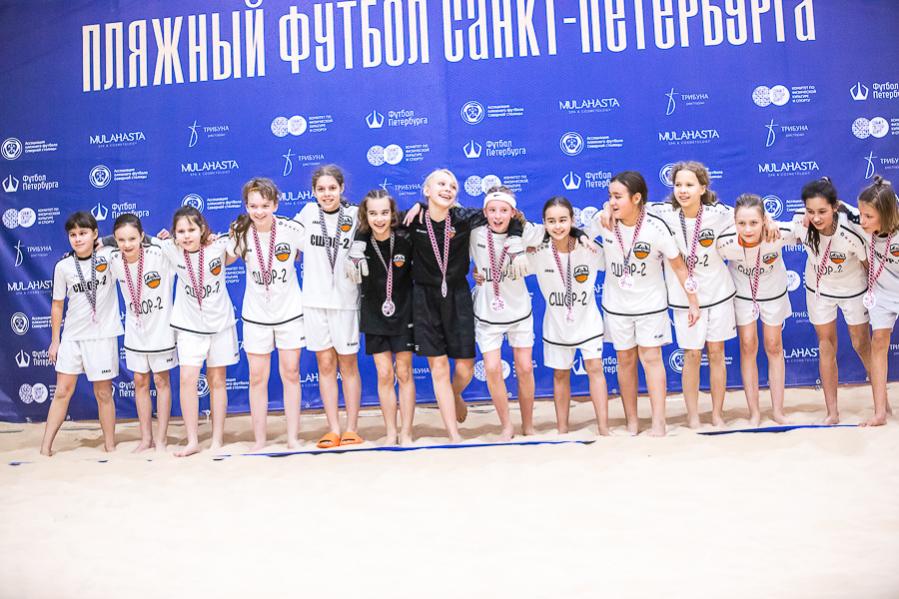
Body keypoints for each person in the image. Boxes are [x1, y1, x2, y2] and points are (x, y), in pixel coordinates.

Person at [593, 172, 700, 436]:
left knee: (652, 359)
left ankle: (658, 422)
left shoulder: (655, 227)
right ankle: (632, 421)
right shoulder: (603, 220)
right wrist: (604, 211)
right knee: (625, 360)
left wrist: (693, 302)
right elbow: (573, 234)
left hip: (651, 306)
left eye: (617, 196)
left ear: (636, 198)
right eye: (610, 196)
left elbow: (679, 267)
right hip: (617, 307)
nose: (612, 202)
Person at [229, 177, 305, 450]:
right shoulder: (240, 232)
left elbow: (321, 245)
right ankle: (259, 439)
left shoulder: (291, 229)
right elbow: (221, 258)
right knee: (257, 378)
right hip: (256, 316)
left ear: (275, 204)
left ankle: (293, 437)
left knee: (291, 373)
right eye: (253, 206)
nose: (259, 211)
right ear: (246, 206)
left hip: (289, 313)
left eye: (264, 205)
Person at [40, 211, 123, 456]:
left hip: (102, 336)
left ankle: (110, 446)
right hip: (72, 338)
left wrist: (104, 241)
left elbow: (130, 238)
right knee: (62, 391)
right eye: (73, 234)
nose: (77, 239)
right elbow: (57, 305)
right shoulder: (63, 266)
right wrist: (55, 341)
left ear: (95, 234)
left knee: (103, 393)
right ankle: (45, 447)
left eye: (83, 233)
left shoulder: (108, 256)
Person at [294, 164, 363, 448]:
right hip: (314, 301)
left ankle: (351, 428)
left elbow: (386, 222)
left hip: (346, 302)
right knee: (324, 364)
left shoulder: (355, 215)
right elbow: (279, 236)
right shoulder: (307, 214)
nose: (327, 194)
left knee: (348, 364)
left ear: (342, 188)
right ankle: (333, 428)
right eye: (321, 189)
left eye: (332, 188)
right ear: (313, 191)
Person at [162, 206, 240, 457]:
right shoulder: (170, 249)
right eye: (181, 231)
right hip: (189, 327)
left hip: (220, 325)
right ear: (174, 234)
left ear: (202, 229)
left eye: (191, 230)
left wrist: (232, 234)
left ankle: (217, 439)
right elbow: (135, 239)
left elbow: (240, 246)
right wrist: (102, 243)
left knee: (217, 380)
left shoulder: (218, 247)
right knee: (187, 379)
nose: (186, 236)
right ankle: (192, 440)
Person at [530, 196, 610, 435]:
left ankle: (603, 428)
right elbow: (511, 266)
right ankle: (562, 428)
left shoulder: (589, 249)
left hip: (588, 321)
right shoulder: (538, 253)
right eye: (551, 221)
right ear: (544, 223)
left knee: (595, 368)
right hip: (557, 325)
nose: (558, 226)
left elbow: (615, 258)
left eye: (563, 220)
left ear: (573, 220)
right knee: (560, 374)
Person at [794, 176, 871, 425]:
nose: (816, 218)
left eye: (822, 211)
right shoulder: (800, 223)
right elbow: (774, 228)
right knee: (825, 344)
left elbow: (867, 264)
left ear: (835, 207)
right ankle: (832, 412)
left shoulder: (853, 229)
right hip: (819, 290)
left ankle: (881, 403)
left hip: (853, 289)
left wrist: (874, 293)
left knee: (861, 343)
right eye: (811, 211)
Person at [716, 194, 794, 426]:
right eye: (742, 223)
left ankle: (778, 410)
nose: (748, 229)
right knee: (748, 345)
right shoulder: (725, 241)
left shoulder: (778, 233)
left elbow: (806, 224)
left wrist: (772, 221)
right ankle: (754, 412)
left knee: (774, 345)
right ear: (734, 222)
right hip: (743, 294)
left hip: (773, 293)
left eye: (754, 223)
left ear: (763, 221)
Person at [347, 189, 416, 445]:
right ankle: (390, 432)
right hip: (374, 314)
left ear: (392, 213)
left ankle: (406, 432)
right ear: (365, 215)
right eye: (373, 213)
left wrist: (419, 206)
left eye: (385, 213)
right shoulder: (360, 242)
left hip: (404, 313)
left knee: (404, 372)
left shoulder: (405, 237)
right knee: (385, 373)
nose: (379, 219)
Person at [109, 214, 176, 452]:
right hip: (135, 332)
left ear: (142, 237)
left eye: (132, 239)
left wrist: (164, 240)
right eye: (121, 240)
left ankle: (162, 438)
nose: (127, 244)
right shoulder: (113, 260)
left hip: (161, 330)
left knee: (161, 380)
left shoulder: (160, 254)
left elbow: (184, 247)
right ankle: (146, 438)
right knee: (139, 381)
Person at [855, 175, 898, 426]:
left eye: (868, 216)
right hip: (881, 293)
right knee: (878, 341)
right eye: (861, 214)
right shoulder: (861, 227)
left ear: (887, 213)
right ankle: (880, 412)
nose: (862, 221)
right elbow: (835, 207)